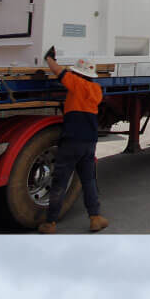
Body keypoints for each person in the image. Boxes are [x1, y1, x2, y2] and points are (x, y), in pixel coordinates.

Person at [37, 51, 109, 233]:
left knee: (60, 182)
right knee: (89, 181)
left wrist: (49, 59)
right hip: (89, 143)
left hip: (71, 142)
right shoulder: (96, 90)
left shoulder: (76, 84)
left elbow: (59, 72)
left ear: (78, 73)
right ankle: (95, 217)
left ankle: (50, 223)